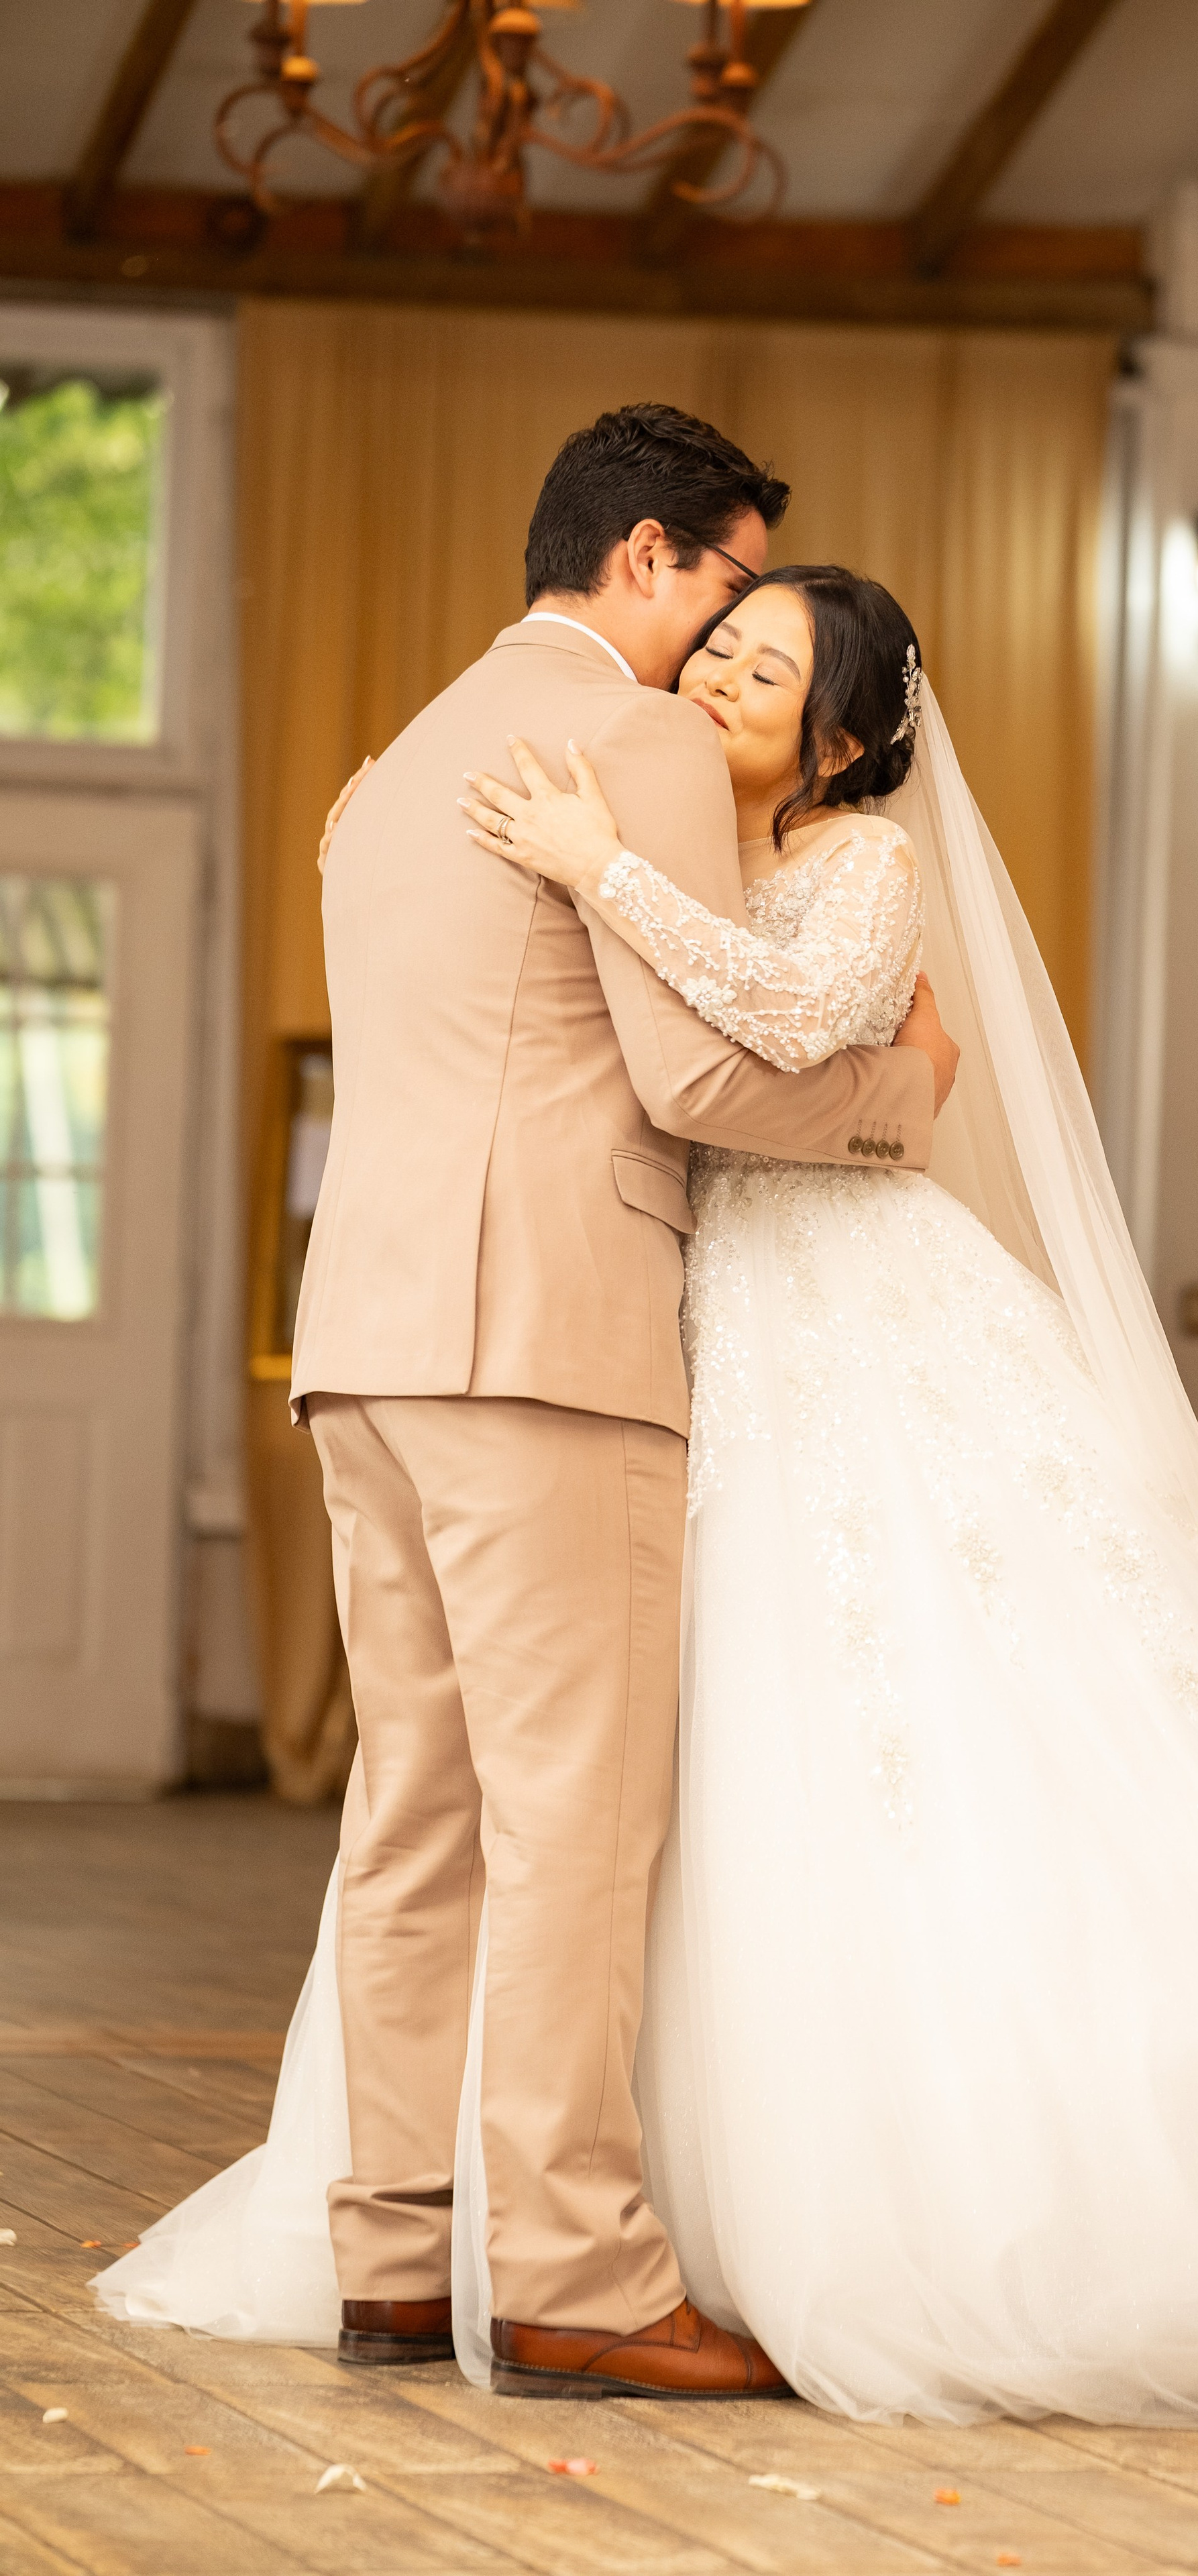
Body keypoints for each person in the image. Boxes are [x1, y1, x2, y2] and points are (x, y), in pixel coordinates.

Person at [101, 552, 1198, 2428]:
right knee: (631, 1770)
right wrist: (656, 909)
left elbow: (774, 1041)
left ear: (851, 731)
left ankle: (810, 2207)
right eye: (719, 641)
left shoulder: (855, 865)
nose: (719, 672)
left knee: (854, 1719)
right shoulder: (646, 830)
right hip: (678, 1334)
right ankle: (551, 2229)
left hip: (855, 1322)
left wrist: (606, 876)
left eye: (767, 662)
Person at [98, 407, 958, 2401]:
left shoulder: (396, 760)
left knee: (412, 1815)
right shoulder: (637, 743)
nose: (738, 636)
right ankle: (575, 2262)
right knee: (577, 1822)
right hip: (543, 1338)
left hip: (366, 1348)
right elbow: (692, 1077)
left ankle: (394, 2254)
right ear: (652, 560)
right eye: (734, 585)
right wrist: (904, 1097)